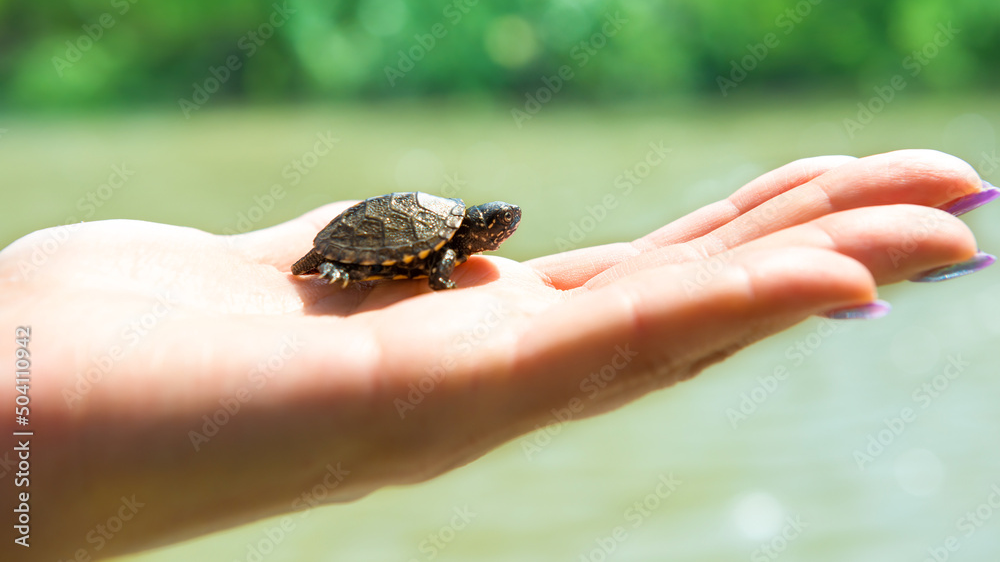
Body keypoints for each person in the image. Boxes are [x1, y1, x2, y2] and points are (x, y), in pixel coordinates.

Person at [1, 149, 996, 560]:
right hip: (352, 251)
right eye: (494, 225)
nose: (502, 230)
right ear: (472, 233)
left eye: (494, 225)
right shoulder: (439, 246)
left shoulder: (458, 241)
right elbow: (407, 257)